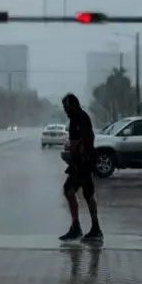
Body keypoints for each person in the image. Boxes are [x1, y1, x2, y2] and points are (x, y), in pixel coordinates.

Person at [59, 93, 103, 241]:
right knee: (86, 194)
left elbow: (79, 140)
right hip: (82, 162)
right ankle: (92, 227)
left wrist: (73, 147)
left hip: (82, 163)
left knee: (70, 191)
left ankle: (79, 227)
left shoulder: (79, 118)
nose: (65, 110)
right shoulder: (79, 117)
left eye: (66, 106)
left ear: (73, 105)